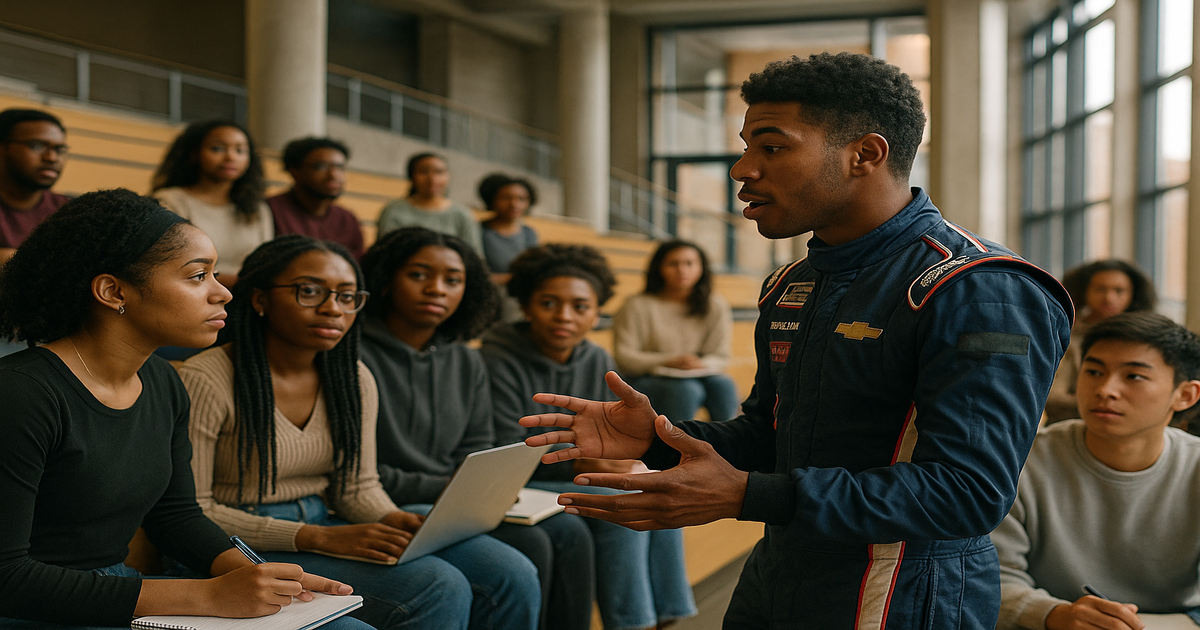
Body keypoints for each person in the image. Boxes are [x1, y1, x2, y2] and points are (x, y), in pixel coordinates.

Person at [518, 52, 1073, 628]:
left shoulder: (979, 288)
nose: (741, 169)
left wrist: (746, 497)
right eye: (745, 146)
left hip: (902, 592)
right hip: (780, 576)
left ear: (865, 154)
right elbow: (771, 436)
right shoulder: (792, 284)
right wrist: (660, 438)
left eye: (771, 147)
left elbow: (967, 493)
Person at [0, 190, 365, 629]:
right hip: (37, 610)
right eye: (197, 276)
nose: (223, 293)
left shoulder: (162, 380)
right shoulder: (21, 393)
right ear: (113, 291)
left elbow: (175, 516)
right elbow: (8, 578)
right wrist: (208, 595)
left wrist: (259, 574)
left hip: (119, 588)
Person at [178, 235, 540, 630]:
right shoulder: (206, 378)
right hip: (234, 543)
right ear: (260, 299)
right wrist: (315, 537)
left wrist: (391, 517)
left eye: (347, 296)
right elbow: (194, 513)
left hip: (321, 523)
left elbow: (356, 488)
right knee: (437, 585)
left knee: (511, 572)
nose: (333, 308)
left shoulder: (351, 376)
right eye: (309, 292)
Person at [358, 227, 596, 630]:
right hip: (392, 503)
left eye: (452, 280)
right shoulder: (354, 354)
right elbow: (363, 477)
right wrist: (452, 489)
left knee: (570, 530)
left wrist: (473, 489)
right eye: (418, 275)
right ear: (385, 279)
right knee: (529, 545)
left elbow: (479, 448)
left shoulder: (465, 361)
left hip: (454, 501)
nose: (436, 289)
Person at [480, 243, 697, 630]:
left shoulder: (596, 358)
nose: (564, 316)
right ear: (527, 306)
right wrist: (583, 458)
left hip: (575, 470)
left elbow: (609, 433)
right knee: (621, 501)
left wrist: (614, 457)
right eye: (549, 303)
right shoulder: (496, 357)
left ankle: (666, 617)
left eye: (580, 307)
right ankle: (633, 623)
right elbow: (503, 446)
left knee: (663, 489)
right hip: (525, 482)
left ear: (596, 314)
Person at [992, 312, 1200, 630]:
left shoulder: (1194, 468)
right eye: (1093, 371)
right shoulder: (1022, 459)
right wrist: (1053, 614)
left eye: (1133, 376)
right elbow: (990, 574)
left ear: (1185, 395)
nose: (1106, 389)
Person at [613, 240, 739, 423]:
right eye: (673, 264)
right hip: (646, 376)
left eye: (689, 263)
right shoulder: (636, 305)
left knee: (724, 384)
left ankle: (727, 446)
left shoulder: (715, 305)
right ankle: (674, 447)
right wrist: (669, 361)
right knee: (686, 390)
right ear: (659, 268)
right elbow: (624, 357)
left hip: (696, 373)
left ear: (701, 268)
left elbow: (721, 355)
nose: (682, 270)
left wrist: (699, 363)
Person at [152, 119, 273, 287]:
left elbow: (266, 262)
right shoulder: (170, 200)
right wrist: (240, 283)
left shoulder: (258, 208)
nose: (231, 157)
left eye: (240, 150)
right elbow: (173, 265)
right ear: (194, 154)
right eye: (217, 148)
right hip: (195, 296)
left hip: (248, 298)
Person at [1044, 259, 1157, 423]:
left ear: (1133, 294)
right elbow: (1052, 396)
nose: (1109, 298)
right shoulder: (1065, 334)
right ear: (1084, 291)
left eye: (1119, 291)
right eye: (1100, 289)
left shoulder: (1146, 338)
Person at [267, 137, 365, 259]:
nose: (333, 175)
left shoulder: (347, 219)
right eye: (321, 166)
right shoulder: (270, 210)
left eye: (340, 167)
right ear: (294, 171)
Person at [0, 109, 69, 267]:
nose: (51, 157)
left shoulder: (67, 211)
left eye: (59, 150)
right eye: (37, 145)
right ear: (2, 148)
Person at [376, 153, 482, 253]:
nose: (432, 179)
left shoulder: (462, 214)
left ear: (448, 176)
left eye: (439, 172)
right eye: (424, 172)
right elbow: (387, 251)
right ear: (411, 176)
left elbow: (474, 255)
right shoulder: (394, 210)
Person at [478, 173, 539, 285]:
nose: (514, 204)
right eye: (506, 198)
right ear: (492, 199)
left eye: (521, 199)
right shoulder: (479, 231)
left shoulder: (529, 233)